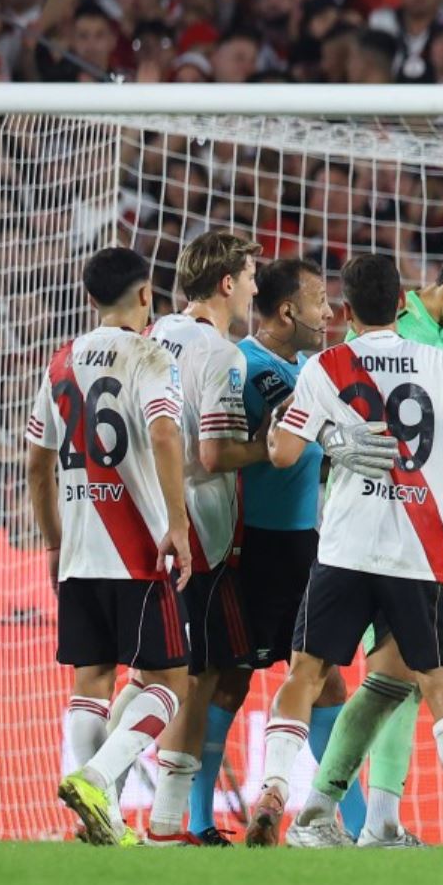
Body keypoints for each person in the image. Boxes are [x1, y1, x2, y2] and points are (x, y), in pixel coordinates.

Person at [248, 253, 443, 848]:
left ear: (347, 309)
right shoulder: (442, 365)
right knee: (442, 688)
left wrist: (320, 435)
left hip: (344, 551)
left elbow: (283, 454)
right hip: (417, 552)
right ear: (401, 301)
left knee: (305, 676)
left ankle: (275, 791)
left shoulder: (326, 365)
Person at [306, 235, 443, 847]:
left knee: (393, 679)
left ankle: (355, 813)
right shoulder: (401, 335)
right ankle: (363, 816)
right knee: (405, 679)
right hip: (386, 533)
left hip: (406, 526)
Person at [179, 258, 362, 845]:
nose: (328, 313)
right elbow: (230, 448)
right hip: (250, 548)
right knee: (229, 681)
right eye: (318, 302)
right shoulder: (244, 365)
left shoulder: (313, 368)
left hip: (308, 548)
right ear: (288, 311)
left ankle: (352, 824)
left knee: (327, 680)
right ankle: (200, 821)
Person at [27, 246, 192, 845]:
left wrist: (52, 543)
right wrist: (176, 522)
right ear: (146, 296)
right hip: (137, 549)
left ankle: (103, 820)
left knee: (92, 678)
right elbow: (166, 433)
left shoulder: (61, 362)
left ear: (92, 299)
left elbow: (37, 465)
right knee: (171, 684)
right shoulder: (150, 355)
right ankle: (97, 776)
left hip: (77, 549)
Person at [141, 232, 267, 845]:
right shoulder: (222, 353)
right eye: (248, 275)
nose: (253, 287)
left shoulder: (159, 331)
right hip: (195, 531)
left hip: (157, 518)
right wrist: (284, 441)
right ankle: (148, 809)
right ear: (225, 284)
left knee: (201, 671)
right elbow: (215, 453)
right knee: (185, 676)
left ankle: (165, 816)